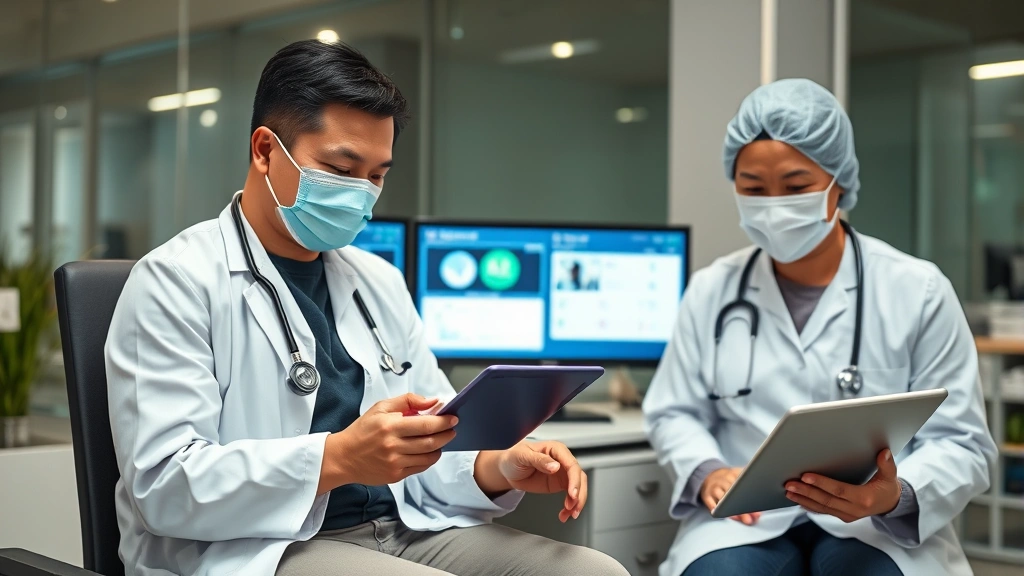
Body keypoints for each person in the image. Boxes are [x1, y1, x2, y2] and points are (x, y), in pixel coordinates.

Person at [105, 40, 628, 576]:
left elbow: (436, 438)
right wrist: (337, 459)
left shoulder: (376, 280)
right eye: (340, 167)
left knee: (594, 572)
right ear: (265, 151)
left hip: (400, 529)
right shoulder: (175, 280)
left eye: (377, 175)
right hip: (258, 546)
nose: (361, 193)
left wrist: (499, 466)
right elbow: (164, 485)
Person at [642, 79, 996, 576]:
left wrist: (896, 494)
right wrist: (709, 471)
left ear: (838, 184)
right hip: (749, 517)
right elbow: (673, 411)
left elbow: (962, 442)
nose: (773, 204)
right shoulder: (711, 290)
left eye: (795, 186)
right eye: (753, 188)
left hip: (874, 522)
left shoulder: (919, 290)